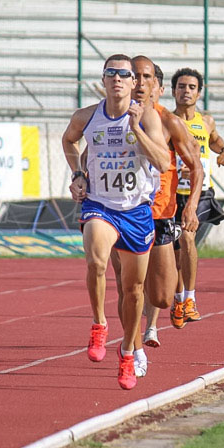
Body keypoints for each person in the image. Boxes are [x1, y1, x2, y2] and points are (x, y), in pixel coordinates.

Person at [61, 54, 171, 390]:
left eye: (125, 74)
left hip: (135, 210)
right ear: (104, 80)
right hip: (100, 205)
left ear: (134, 83)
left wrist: (136, 128)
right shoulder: (87, 116)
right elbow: (69, 140)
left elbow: (164, 162)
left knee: (133, 290)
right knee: (96, 262)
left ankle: (126, 352)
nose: (118, 79)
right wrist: (78, 173)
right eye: (112, 73)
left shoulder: (147, 117)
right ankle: (99, 325)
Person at [111, 57, 203, 361]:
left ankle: (155, 319)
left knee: (161, 296)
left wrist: (190, 207)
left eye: (145, 77)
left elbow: (197, 167)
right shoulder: (111, 115)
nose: (138, 82)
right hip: (122, 212)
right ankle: (132, 350)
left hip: (160, 215)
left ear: (155, 85)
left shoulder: (168, 121)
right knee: (127, 288)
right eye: (133, 76)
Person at [170, 67, 224, 328]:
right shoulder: (165, 121)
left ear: (199, 92)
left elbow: (214, 140)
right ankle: (179, 299)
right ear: (173, 91)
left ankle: (190, 299)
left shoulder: (206, 121)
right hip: (173, 193)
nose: (186, 91)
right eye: (181, 86)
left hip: (201, 191)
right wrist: (174, 165)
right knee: (175, 254)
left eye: (191, 87)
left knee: (187, 237)